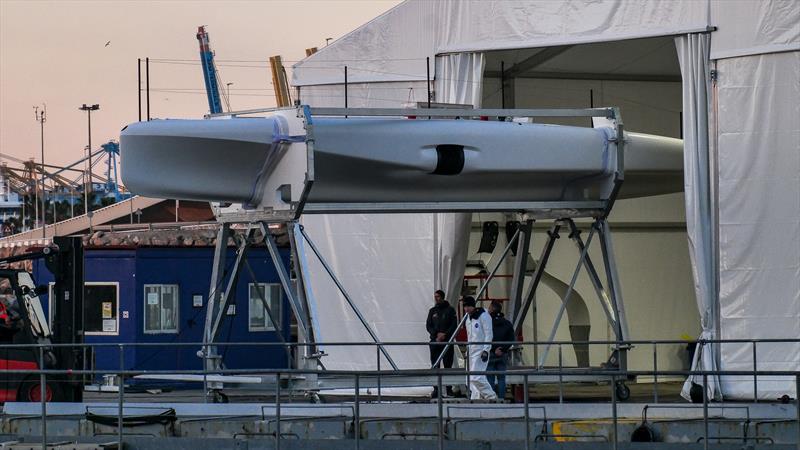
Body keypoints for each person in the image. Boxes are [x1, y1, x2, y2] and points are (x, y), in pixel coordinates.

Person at [462, 296, 497, 400]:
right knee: (469, 378)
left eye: (468, 306)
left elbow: (488, 334)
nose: (466, 308)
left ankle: (491, 396)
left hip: (480, 350)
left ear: (473, 306)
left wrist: (486, 350)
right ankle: (476, 397)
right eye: (465, 306)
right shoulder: (468, 318)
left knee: (476, 376)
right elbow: (469, 336)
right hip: (471, 350)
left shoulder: (484, 316)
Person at [426, 289, 457, 398]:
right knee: (435, 365)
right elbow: (428, 325)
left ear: (442, 297)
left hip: (447, 342)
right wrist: (436, 335)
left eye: (438, 296)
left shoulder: (450, 310)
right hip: (435, 342)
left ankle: (449, 389)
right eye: (435, 297)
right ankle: (436, 389)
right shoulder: (432, 311)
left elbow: (454, 325)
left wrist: (445, 335)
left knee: (448, 365)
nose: (436, 299)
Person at [487, 300, 515, 399]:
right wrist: (502, 349)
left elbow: (486, 337)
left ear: (492, 309)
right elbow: (511, 339)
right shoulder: (507, 323)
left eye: (489, 308)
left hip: (491, 353)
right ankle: (502, 398)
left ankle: (492, 399)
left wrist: (493, 349)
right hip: (503, 354)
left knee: (489, 377)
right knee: (501, 378)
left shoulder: (488, 323)